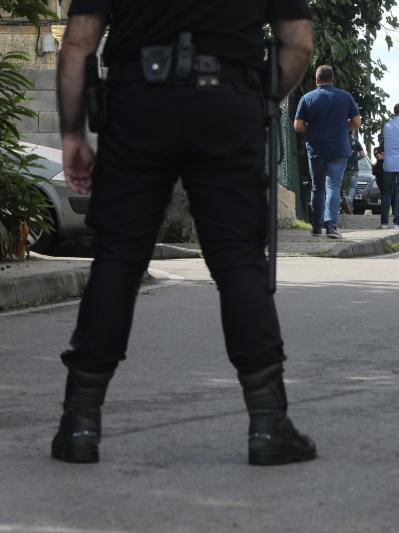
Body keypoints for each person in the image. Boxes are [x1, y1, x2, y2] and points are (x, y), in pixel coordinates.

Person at [53, 0, 316, 466]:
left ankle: (80, 422)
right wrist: (256, 99)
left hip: (137, 103)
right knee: (238, 259)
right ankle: (268, 422)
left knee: (118, 257)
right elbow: (298, 44)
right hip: (226, 102)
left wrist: (73, 134)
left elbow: (77, 43)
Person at [294, 65, 362, 238]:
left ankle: (316, 228)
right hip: (338, 149)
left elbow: (298, 126)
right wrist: (342, 128)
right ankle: (331, 227)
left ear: (317, 80)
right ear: (333, 79)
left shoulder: (307, 98)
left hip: (316, 148)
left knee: (317, 187)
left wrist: (312, 130)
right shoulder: (345, 97)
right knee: (333, 187)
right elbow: (356, 122)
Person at [341, 132, 367, 214]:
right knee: (352, 187)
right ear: (352, 133)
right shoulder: (356, 142)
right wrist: (356, 158)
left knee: (343, 188)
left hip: (343, 169)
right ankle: (348, 200)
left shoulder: (341, 141)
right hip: (354, 169)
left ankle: (348, 208)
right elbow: (363, 155)